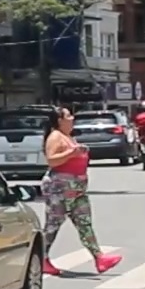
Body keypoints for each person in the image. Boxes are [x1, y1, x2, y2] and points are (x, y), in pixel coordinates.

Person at [40, 107, 122, 277]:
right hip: (60, 187)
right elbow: (52, 160)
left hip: (77, 188)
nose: (72, 118)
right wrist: (72, 153)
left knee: (84, 223)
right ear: (59, 120)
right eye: (68, 115)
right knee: (52, 225)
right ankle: (41, 258)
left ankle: (99, 258)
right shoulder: (55, 136)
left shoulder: (69, 136)